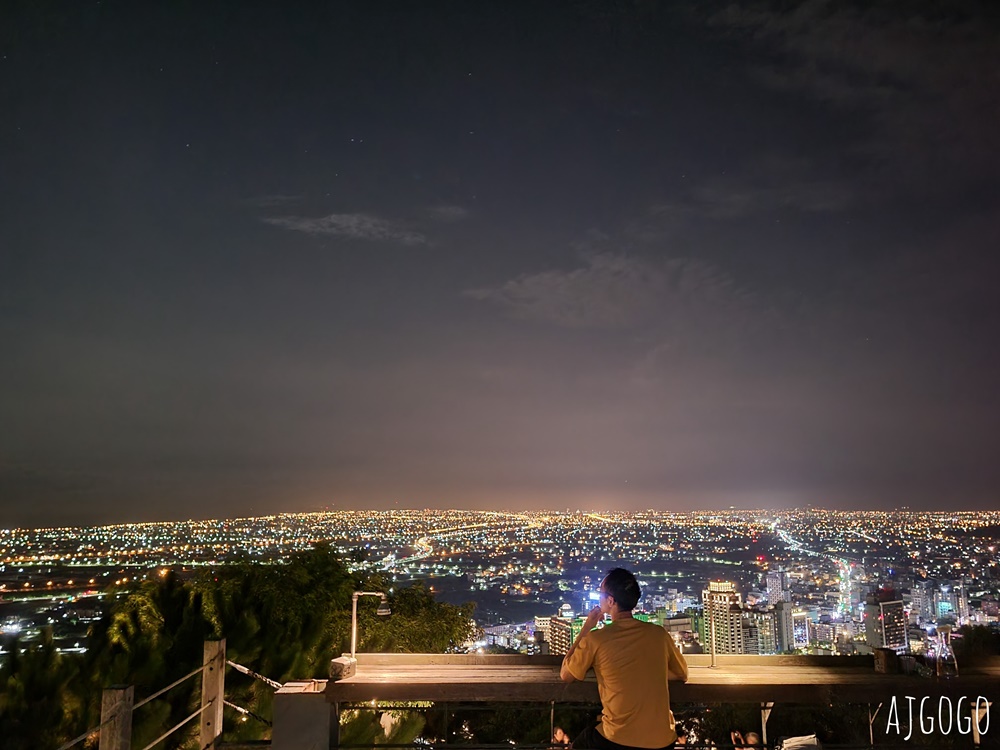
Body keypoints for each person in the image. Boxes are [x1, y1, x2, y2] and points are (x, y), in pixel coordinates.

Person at [560, 568, 689, 749]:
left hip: (618, 739)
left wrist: (587, 626)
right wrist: (648, 670)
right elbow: (682, 674)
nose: (599, 597)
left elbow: (566, 674)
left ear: (611, 601)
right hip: (663, 740)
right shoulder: (658, 634)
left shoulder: (597, 639)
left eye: (601, 593)